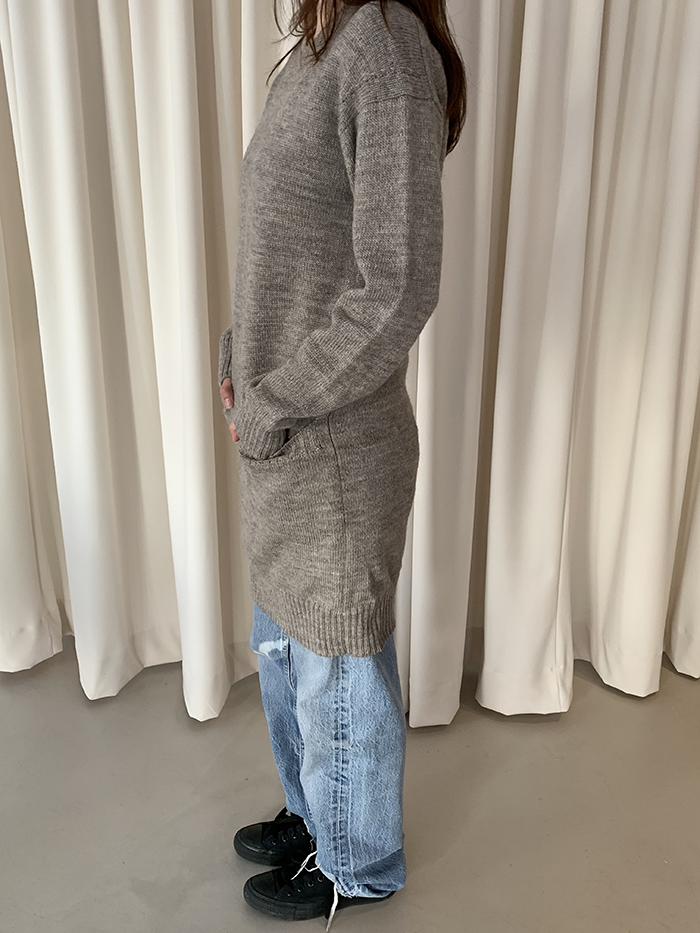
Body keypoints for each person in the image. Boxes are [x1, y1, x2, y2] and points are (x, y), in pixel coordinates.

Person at [217, 0, 466, 926]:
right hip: (286, 430)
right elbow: (287, 248)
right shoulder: (317, 47)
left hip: (334, 446)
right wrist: (239, 358)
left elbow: (398, 286)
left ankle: (358, 862)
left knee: (336, 662)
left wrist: (275, 396)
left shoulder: (385, 49)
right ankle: (314, 813)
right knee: (288, 646)